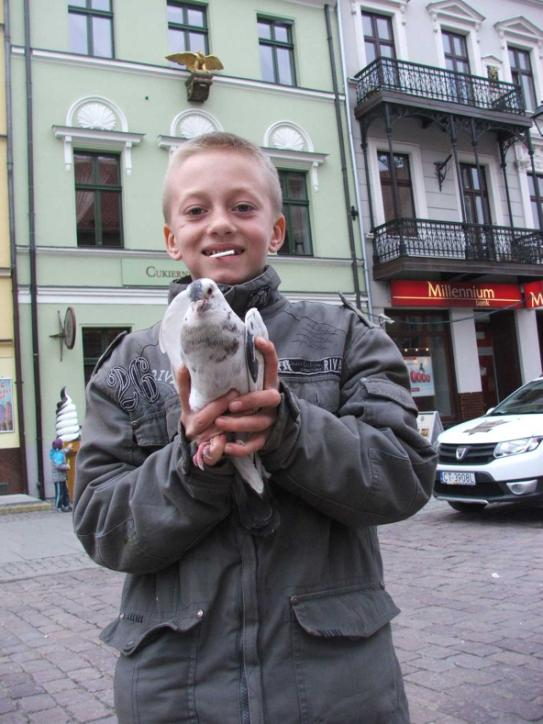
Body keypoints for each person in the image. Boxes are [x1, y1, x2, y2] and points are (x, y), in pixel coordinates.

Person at [74, 132, 437, 723]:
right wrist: (192, 464)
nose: (219, 224)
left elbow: (403, 474)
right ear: (171, 239)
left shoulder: (346, 338)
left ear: (275, 231)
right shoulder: (131, 365)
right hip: (178, 693)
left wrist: (291, 432)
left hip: (334, 691)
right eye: (196, 211)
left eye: (242, 207)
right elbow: (100, 524)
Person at [50, 438, 71, 512]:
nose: (63, 444)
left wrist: (68, 448)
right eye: (62, 444)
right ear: (60, 446)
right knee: (59, 493)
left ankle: (66, 505)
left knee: (64, 492)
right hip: (58, 478)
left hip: (62, 477)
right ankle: (58, 506)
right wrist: (67, 466)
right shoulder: (58, 455)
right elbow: (58, 466)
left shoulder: (58, 452)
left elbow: (63, 452)